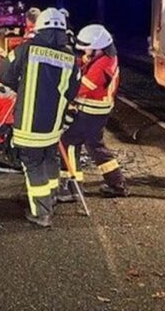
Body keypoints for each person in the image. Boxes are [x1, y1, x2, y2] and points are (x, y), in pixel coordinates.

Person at [0, 7, 80, 228]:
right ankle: (52, 196)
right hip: (54, 124)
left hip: (28, 123)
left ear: (39, 27)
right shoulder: (71, 57)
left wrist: (21, 86)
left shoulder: (27, 49)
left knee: (33, 164)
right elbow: (74, 90)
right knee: (49, 157)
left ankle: (42, 212)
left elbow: (5, 72)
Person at [59, 24, 129, 200]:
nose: (85, 51)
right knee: (95, 146)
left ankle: (73, 188)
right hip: (98, 111)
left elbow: (81, 87)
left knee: (69, 143)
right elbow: (84, 63)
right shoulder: (105, 58)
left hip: (91, 111)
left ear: (98, 47)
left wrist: (60, 89)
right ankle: (116, 183)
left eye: (88, 47)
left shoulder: (103, 65)